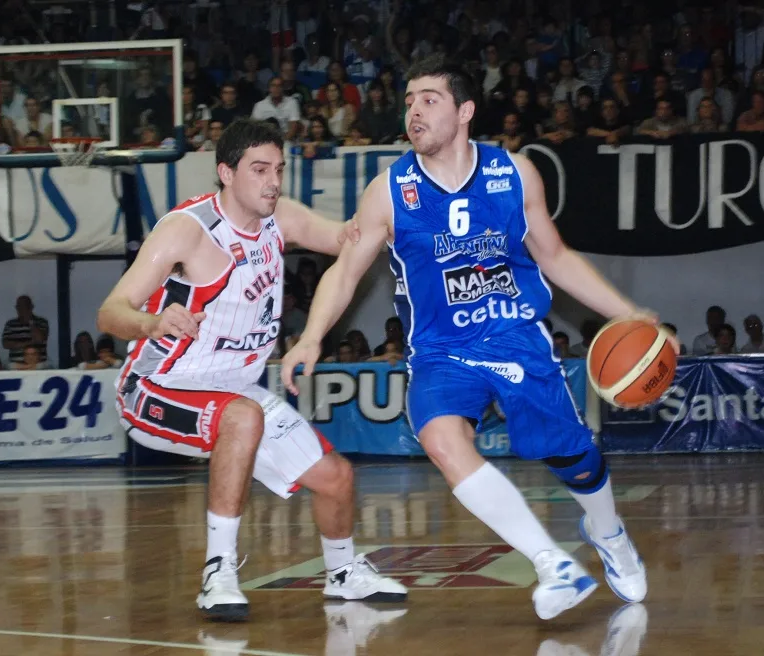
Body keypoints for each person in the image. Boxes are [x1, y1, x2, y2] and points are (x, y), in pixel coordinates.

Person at [283, 56, 673, 620]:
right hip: (440, 350)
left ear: (465, 111)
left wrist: (631, 313)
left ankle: (608, 531)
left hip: (515, 335)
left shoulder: (515, 173)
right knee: (441, 439)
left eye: (429, 100)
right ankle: (552, 563)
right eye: (409, 100)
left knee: (573, 456)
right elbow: (344, 273)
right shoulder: (389, 191)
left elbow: (556, 256)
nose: (414, 111)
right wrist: (311, 336)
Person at [96, 119, 405, 622]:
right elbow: (110, 313)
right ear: (226, 172)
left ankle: (343, 573)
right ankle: (218, 571)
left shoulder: (280, 217)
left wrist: (384, 215)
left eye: (278, 170)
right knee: (242, 417)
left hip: (233, 391)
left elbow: (343, 238)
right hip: (156, 386)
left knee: (336, 478)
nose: (273, 182)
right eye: (260, 170)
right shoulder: (187, 230)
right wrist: (151, 322)